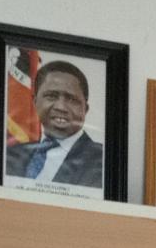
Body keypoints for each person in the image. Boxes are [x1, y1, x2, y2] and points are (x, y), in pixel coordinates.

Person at [6, 60, 103, 189]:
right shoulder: (10, 155)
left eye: (71, 99)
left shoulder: (103, 160)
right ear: (35, 102)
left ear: (85, 109)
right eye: (51, 96)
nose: (61, 107)